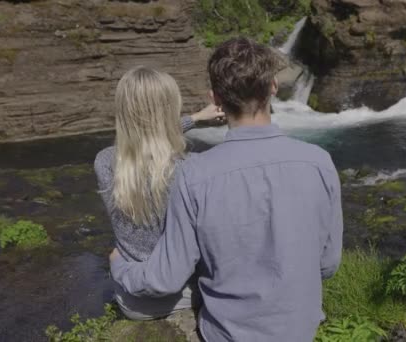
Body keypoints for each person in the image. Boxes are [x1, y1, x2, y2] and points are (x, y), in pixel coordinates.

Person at [110, 38, 343, 341]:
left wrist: (120, 267)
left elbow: (164, 278)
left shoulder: (194, 175)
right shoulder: (319, 162)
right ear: (273, 86)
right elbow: (328, 264)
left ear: (215, 97)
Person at [94, 66, 224, 320]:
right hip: (185, 294)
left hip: (130, 299)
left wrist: (195, 118)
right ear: (170, 110)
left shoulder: (103, 161)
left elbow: (145, 138)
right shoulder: (190, 168)